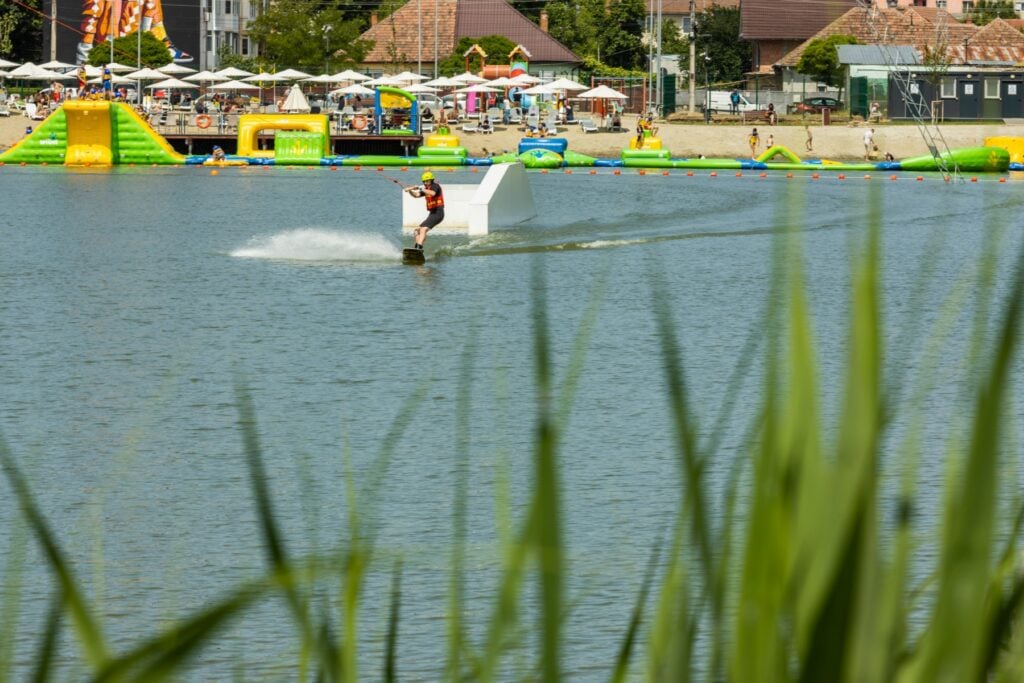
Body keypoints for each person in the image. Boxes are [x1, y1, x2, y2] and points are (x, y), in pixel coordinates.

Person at [406, 171, 444, 251]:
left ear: (431, 180)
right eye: (424, 182)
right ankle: (416, 248)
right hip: (432, 214)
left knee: (423, 229)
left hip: (438, 213)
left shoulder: (435, 186)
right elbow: (416, 195)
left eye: (427, 181)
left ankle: (419, 247)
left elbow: (433, 193)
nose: (426, 183)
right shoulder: (425, 189)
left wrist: (420, 188)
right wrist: (410, 190)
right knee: (416, 231)